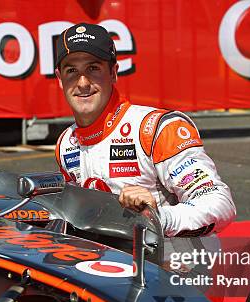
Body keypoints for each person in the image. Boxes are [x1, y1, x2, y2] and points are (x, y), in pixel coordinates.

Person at [54, 23, 236, 264]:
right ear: (59, 79)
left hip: (181, 272)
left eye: (93, 68)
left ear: (114, 72)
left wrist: (158, 217)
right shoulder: (66, 143)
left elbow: (219, 202)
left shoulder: (157, 128)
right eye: (71, 71)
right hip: (114, 269)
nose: (83, 82)